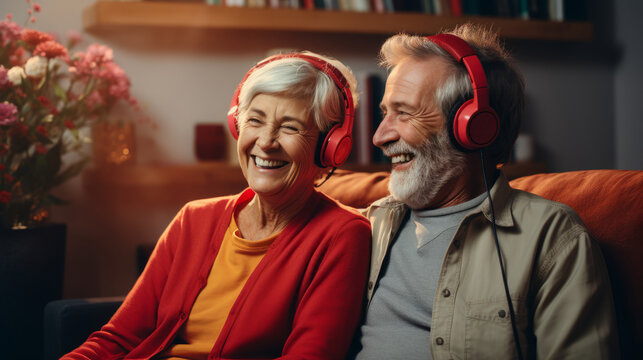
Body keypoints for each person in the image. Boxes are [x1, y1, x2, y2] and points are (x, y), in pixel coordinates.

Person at [63, 52, 371, 360]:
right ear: (236, 125)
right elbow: (120, 337)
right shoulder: (193, 219)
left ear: (329, 148)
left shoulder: (342, 235)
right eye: (255, 120)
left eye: (290, 127)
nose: (266, 142)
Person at [352, 25, 620, 359]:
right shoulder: (365, 225)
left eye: (403, 112)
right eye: (384, 113)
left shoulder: (553, 238)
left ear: (472, 126)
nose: (379, 136)